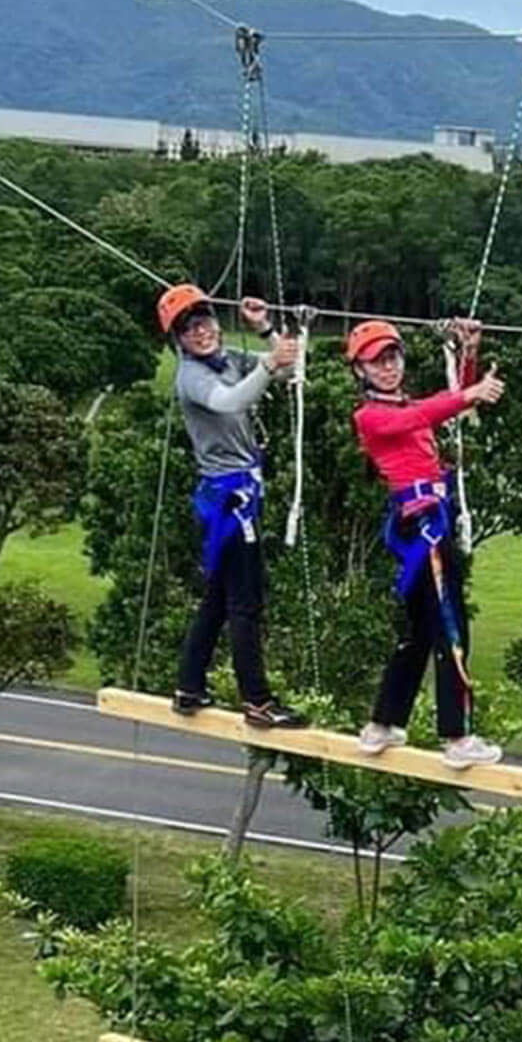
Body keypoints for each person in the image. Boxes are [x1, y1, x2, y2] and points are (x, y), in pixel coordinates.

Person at [346, 318, 505, 769]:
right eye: (377, 362)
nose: (388, 367)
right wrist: (468, 394)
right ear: (360, 370)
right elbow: (424, 415)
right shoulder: (372, 416)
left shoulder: (405, 406)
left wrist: (469, 355)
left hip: (427, 526)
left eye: (392, 357)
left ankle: (382, 725)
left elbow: (446, 407)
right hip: (424, 531)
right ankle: (457, 736)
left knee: (418, 633)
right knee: (452, 628)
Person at [158, 283, 306, 729]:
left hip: (234, 493)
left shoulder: (227, 360)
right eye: (189, 329)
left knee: (220, 598)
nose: (200, 332)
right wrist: (268, 363)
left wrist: (264, 329)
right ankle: (257, 701)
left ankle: (189, 685)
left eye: (204, 321)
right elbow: (231, 400)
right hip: (228, 499)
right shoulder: (193, 377)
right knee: (245, 601)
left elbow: (285, 367)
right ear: (178, 341)